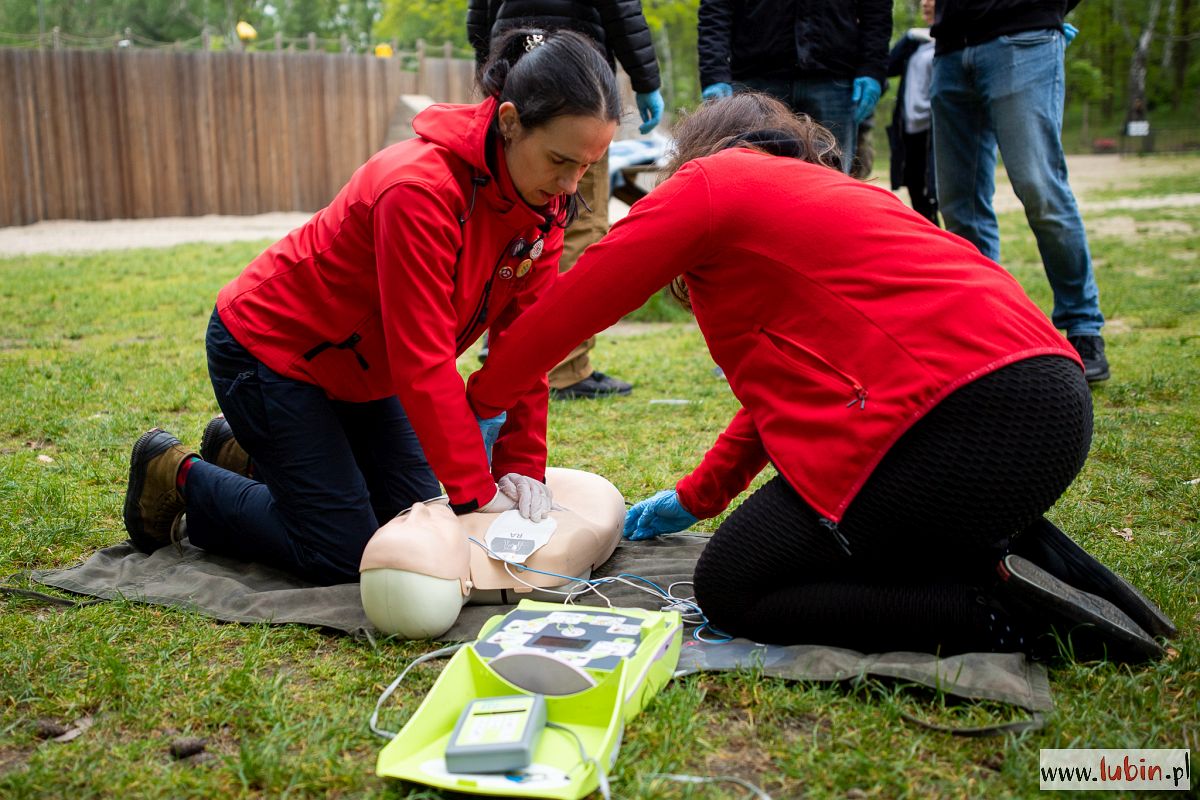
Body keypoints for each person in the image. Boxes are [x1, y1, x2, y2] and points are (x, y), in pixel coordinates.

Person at [465, 93, 1174, 660]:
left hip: (957, 423)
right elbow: (777, 399)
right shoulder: (830, 199)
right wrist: (695, 497)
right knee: (831, 535)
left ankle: (997, 611)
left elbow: (585, 293)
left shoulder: (712, 184)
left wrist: (487, 395)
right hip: (1048, 404)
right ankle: (1016, 551)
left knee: (734, 585)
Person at [121, 28, 621, 585]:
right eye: (560, 160)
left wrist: (520, 465)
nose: (569, 184)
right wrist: (478, 494)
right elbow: (424, 360)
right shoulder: (419, 191)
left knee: (407, 525)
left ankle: (248, 458)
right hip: (272, 353)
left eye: (588, 165)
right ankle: (177, 476)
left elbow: (526, 346)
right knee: (347, 554)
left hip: (365, 373)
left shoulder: (544, 210)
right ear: (509, 122)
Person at [469, 0, 666, 399]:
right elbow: (622, 10)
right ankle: (562, 366)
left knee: (521, 228)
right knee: (577, 226)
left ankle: (510, 349)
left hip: (513, 77)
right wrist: (646, 80)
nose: (570, 185)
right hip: (578, 89)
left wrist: (493, 72)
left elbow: (478, 16)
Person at [929, 1, 1109, 381]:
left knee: (1039, 187)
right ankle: (986, 329)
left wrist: (1048, 11)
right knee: (959, 206)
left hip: (1024, 39)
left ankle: (1083, 326)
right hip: (949, 50)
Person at [697, 0, 892, 173]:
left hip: (834, 79)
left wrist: (873, 67)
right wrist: (714, 73)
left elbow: (877, 9)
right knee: (750, 179)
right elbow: (715, 6)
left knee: (832, 181)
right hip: (756, 78)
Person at [886, 0, 939, 224]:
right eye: (923, 1)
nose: (925, 4)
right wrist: (907, 37)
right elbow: (888, 66)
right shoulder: (916, 42)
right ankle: (933, 246)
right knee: (916, 190)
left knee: (936, 191)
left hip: (935, 129)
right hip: (910, 129)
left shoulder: (952, 45)